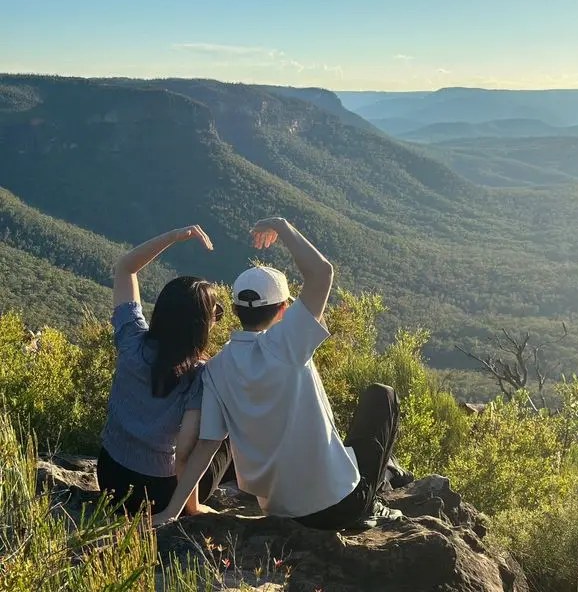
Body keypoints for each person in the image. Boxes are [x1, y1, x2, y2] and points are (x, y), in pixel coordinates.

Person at [153, 217, 404, 530]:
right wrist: (283, 227)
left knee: (364, 454)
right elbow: (321, 272)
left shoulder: (215, 370)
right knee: (382, 395)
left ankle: (389, 474)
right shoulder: (289, 341)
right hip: (341, 505)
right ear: (285, 308)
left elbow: (207, 446)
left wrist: (172, 511)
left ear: (235, 310)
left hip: (281, 511)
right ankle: (376, 499)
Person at [97, 225, 232, 516]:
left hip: (110, 479)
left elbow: (125, 267)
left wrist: (174, 236)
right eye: (215, 314)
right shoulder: (200, 376)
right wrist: (191, 508)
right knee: (224, 434)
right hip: (158, 492)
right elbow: (186, 452)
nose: (218, 318)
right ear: (199, 327)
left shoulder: (131, 339)